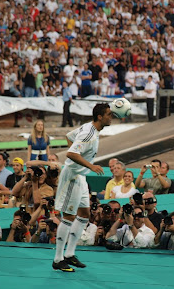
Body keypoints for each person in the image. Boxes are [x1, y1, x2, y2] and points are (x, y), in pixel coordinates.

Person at [52, 103, 112, 272]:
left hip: (80, 176)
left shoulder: (89, 128)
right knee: (69, 216)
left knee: (84, 214)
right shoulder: (89, 134)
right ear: (100, 117)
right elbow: (71, 153)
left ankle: (70, 254)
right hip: (72, 176)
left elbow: (69, 136)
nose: (111, 117)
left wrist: (84, 166)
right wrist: (90, 166)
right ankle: (58, 259)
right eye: (108, 114)